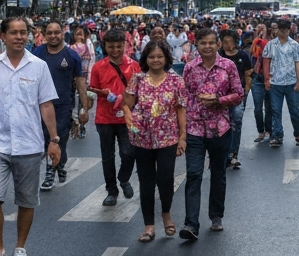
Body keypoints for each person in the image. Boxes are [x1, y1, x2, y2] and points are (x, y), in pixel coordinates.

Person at [0, 16, 62, 256]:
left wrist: (54, 140)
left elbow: (46, 104)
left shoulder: (39, 66)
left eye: (24, 32)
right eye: (13, 32)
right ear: (2, 36)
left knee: (26, 200)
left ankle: (20, 248)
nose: (19, 37)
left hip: (29, 143)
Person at [179, 28, 244, 239]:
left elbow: (238, 94)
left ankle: (216, 216)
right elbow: (184, 96)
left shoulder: (228, 66)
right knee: (194, 173)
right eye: (202, 43)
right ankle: (191, 224)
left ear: (217, 44)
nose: (207, 46)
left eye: (210, 43)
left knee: (218, 173)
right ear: (196, 45)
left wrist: (219, 100)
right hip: (194, 128)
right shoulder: (189, 68)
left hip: (220, 128)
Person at [123, 41, 185, 241]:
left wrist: (183, 137)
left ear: (166, 58)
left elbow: (181, 109)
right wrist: (130, 122)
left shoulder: (176, 81)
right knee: (146, 181)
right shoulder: (137, 79)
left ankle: (166, 214)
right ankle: (149, 225)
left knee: (166, 178)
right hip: (142, 139)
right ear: (145, 59)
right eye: (151, 57)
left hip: (168, 138)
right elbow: (127, 105)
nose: (156, 60)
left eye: (159, 56)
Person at [32, 21, 86, 191]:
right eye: (50, 33)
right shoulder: (37, 53)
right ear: (45, 35)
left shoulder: (72, 56)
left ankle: (49, 174)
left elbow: (80, 81)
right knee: (45, 138)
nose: (53, 36)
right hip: (41, 104)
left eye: (57, 32)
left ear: (63, 34)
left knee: (57, 138)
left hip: (63, 105)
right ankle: (60, 164)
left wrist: (84, 107)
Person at [90, 27, 140, 205]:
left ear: (125, 45)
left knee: (129, 152)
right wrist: (102, 93)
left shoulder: (134, 65)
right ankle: (111, 190)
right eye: (111, 47)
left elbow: (139, 90)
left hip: (127, 117)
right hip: (104, 118)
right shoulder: (98, 67)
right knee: (107, 156)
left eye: (119, 46)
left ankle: (124, 178)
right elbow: (92, 88)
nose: (116, 50)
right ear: (105, 46)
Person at [264, 19, 299, 148]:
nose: (282, 33)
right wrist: (266, 79)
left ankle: (297, 133)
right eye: (279, 30)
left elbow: (298, 63)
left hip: (291, 83)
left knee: (294, 111)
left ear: (289, 30)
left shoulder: (295, 45)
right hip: (275, 83)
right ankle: (277, 135)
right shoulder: (270, 45)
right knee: (276, 111)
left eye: (284, 30)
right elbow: (266, 61)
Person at [217, 29, 253, 169]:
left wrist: (246, 91)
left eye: (229, 41)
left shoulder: (242, 55)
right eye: (224, 41)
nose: (227, 44)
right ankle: (222, 154)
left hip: (238, 95)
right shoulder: (218, 55)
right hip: (221, 96)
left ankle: (233, 154)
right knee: (223, 124)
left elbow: (248, 73)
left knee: (236, 122)